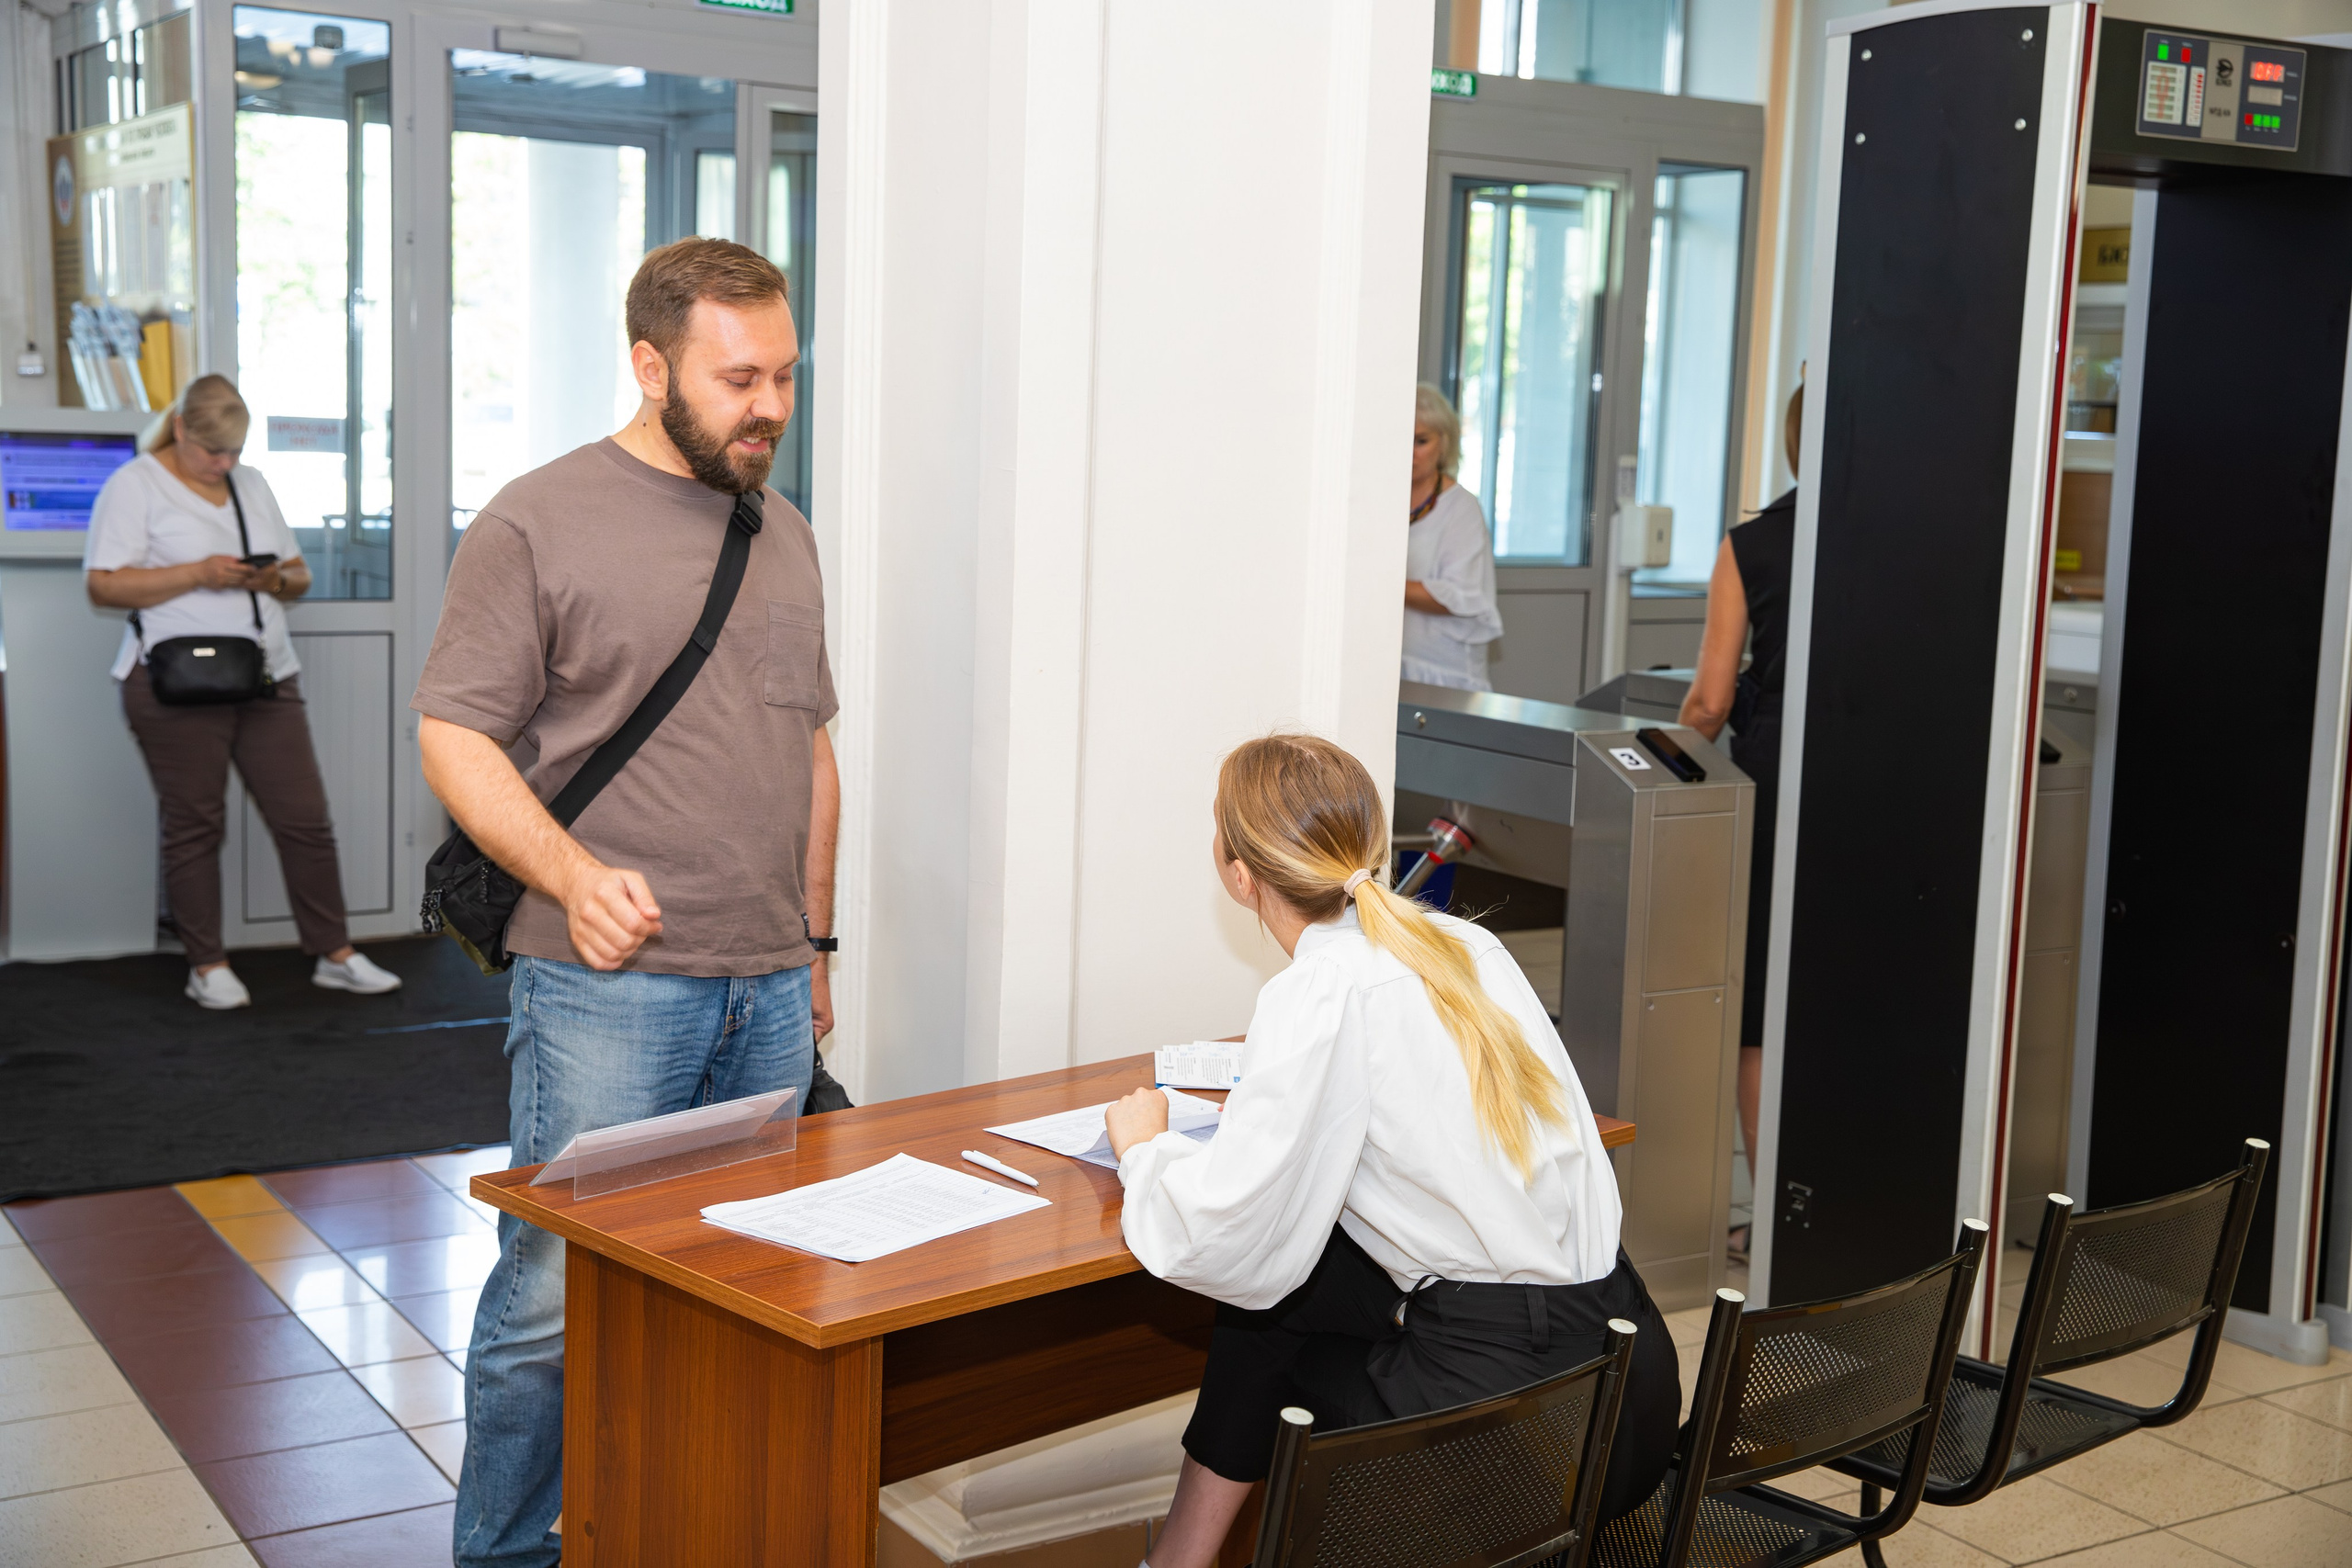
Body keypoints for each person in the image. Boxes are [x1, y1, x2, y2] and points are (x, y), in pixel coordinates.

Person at [413, 238, 839, 1568]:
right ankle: (506, 1550)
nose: (767, 405)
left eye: (783, 375)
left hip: (767, 984)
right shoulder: (537, 519)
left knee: (737, 1286)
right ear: (651, 365)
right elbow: (455, 735)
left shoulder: (786, 529)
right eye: (737, 378)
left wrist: (815, 944)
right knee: (553, 1296)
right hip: (607, 991)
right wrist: (571, 874)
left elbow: (811, 749)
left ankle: (677, 1523)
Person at [1102, 734, 1679, 1567]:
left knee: (1265, 1299)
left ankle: (1181, 1560)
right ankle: (1183, 1562)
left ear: (1238, 874)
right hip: (1627, 1396)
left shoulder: (1317, 990)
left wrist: (1144, 1152)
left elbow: (1223, 1238)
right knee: (1300, 1286)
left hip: (1509, 1432)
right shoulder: (1465, 946)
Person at [84, 375, 403, 1010]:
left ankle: (334, 953)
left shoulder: (250, 484)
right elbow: (103, 587)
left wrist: (266, 579)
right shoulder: (134, 485)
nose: (224, 463)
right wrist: (199, 574)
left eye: (234, 451)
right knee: (195, 825)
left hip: (264, 676)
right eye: (212, 451)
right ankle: (207, 963)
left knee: (305, 821)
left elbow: (300, 576)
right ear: (180, 430)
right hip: (172, 684)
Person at [1679, 378, 1804, 1258]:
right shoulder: (1933, 536)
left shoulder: (1754, 542)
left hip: (1777, 781)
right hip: (1891, 791)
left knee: (1761, 1005)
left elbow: (1709, 702)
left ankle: (1777, 1223)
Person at [1402, 384, 1504, 691]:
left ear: (1443, 445)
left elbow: (1458, 596)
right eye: (1403, 439)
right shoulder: (1380, 501)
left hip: (1445, 672)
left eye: (1421, 441)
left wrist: (1379, 582)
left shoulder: (1462, 507)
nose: (1411, 452)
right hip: (1390, 663)